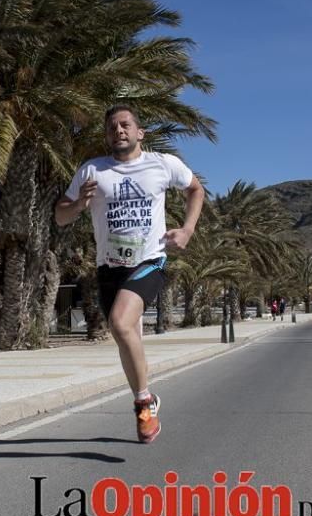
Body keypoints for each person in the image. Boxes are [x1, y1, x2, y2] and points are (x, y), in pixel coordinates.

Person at [55, 104, 205, 443]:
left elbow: (196, 189)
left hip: (148, 261)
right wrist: (78, 204)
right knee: (125, 337)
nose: (118, 130)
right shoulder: (92, 170)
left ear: (140, 133)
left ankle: (141, 404)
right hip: (109, 267)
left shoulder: (162, 164)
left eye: (125, 125)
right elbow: (60, 216)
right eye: (112, 127)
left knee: (121, 324)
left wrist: (187, 229)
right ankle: (147, 397)